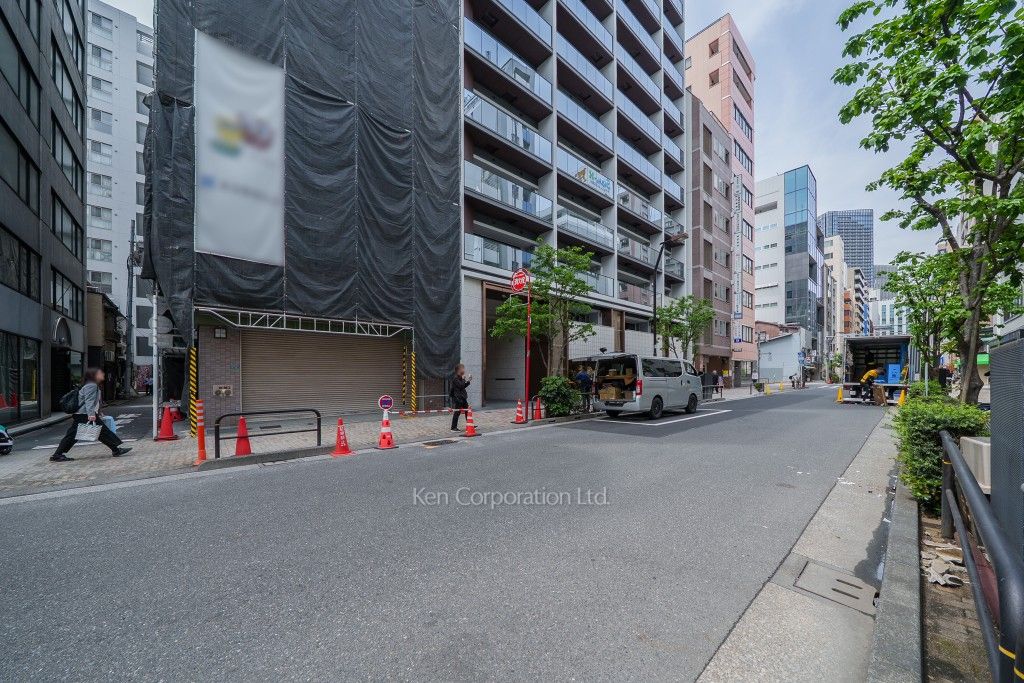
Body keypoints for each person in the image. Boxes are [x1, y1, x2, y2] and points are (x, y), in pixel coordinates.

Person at [50, 368, 131, 462]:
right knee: (81, 434)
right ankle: (57, 454)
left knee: (99, 432)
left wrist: (98, 412)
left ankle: (115, 449)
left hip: (83, 414)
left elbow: (92, 402)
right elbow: (89, 401)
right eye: (100, 373)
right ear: (94, 375)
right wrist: (91, 414)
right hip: (84, 414)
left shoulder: (91, 385)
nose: (103, 375)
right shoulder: (91, 385)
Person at [449, 363, 471, 432]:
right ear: (459, 370)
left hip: (463, 397)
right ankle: (453, 427)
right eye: (463, 368)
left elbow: (463, 386)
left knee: (467, 411)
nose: (464, 370)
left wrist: (468, 381)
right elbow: (461, 386)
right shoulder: (455, 378)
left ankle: (470, 424)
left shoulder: (460, 377)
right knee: (457, 413)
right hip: (458, 398)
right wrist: (464, 379)